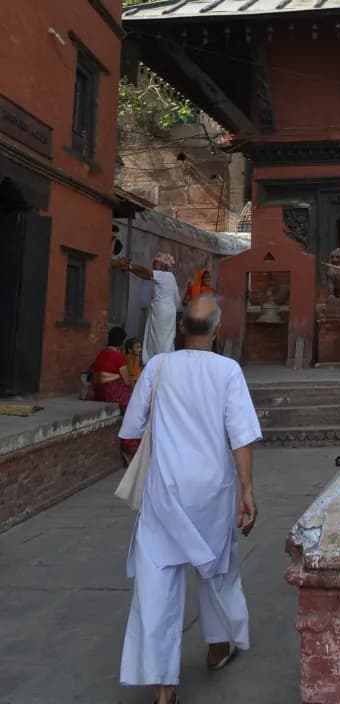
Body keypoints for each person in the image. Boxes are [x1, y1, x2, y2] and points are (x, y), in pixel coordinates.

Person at [118, 294, 261, 704]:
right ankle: (219, 646)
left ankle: (165, 689)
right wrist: (247, 488)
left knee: (157, 581)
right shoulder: (228, 370)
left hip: (165, 489)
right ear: (217, 331)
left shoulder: (158, 367)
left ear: (182, 329)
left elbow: (130, 432)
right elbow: (241, 436)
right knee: (218, 569)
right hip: (212, 489)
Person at [89, 326, 140, 462]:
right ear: (121, 342)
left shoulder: (100, 355)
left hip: (97, 392)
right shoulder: (118, 357)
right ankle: (130, 448)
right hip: (112, 392)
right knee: (135, 411)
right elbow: (127, 381)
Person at [142, 253, 181, 364]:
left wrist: (130, 267)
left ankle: (158, 361)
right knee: (163, 338)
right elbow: (177, 300)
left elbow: (146, 273)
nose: (154, 267)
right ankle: (162, 360)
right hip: (167, 310)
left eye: (157, 264)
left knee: (159, 338)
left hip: (162, 311)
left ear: (165, 266)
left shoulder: (165, 276)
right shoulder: (170, 278)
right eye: (153, 264)